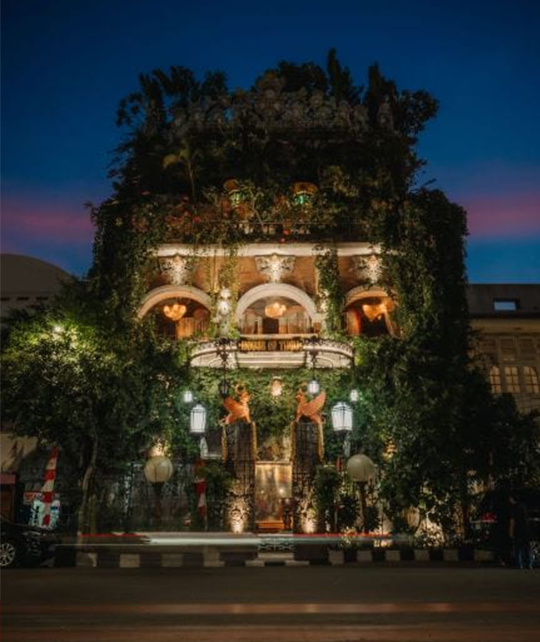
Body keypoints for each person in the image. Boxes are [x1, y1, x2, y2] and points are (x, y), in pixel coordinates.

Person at [509, 493, 533, 569]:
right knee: (527, 548)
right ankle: (529, 564)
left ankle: (519, 564)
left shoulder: (514, 508)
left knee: (517, 548)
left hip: (518, 530)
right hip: (525, 529)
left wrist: (511, 531)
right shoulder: (523, 507)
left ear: (512, 499)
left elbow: (512, 521)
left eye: (510, 498)